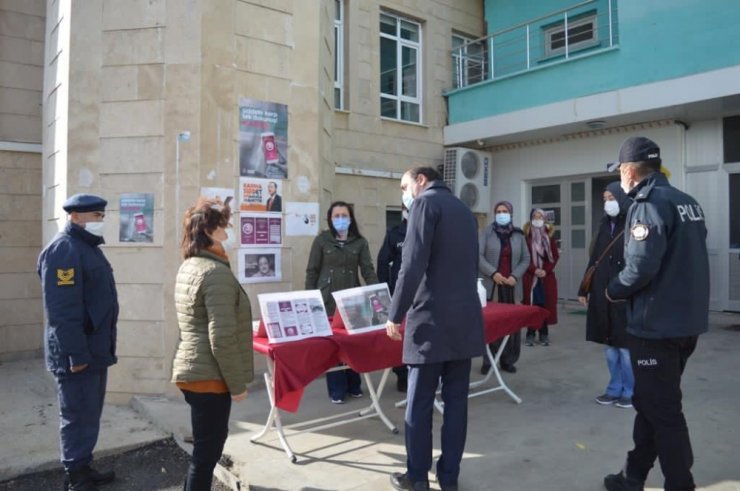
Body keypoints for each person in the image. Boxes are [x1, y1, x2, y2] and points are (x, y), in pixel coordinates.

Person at [603, 137, 709, 491]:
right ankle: (633, 476)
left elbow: (640, 268)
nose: (620, 177)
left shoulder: (647, 205)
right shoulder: (686, 202)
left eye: (620, 170)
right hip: (684, 324)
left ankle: (681, 484)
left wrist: (611, 290)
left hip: (656, 328)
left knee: (663, 412)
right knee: (650, 403)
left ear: (630, 170)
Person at [386, 167, 484, 491]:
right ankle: (449, 478)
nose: (405, 193)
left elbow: (411, 264)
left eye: (405, 185)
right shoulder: (464, 211)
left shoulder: (425, 205)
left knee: (420, 404)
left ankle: (417, 477)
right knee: (457, 405)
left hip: (430, 323)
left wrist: (395, 314)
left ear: (421, 180)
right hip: (465, 322)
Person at [171, 198, 254, 491]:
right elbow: (220, 336)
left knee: (205, 450)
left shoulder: (191, 264)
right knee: (207, 455)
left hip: (194, 371)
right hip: (209, 378)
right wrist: (237, 385)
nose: (228, 231)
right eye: (224, 225)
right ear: (209, 230)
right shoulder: (215, 273)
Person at [37, 194, 118, 491]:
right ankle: (75, 476)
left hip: (94, 349)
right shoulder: (64, 251)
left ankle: (83, 465)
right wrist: (76, 354)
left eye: (101, 216)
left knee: (89, 413)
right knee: (75, 414)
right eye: (97, 216)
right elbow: (63, 313)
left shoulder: (86, 247)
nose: (101, 221)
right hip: (78, 354)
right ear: (76, 217)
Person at [305, 201, 378, 403]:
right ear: (330, 219)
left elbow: (367, 270)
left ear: (350, 218)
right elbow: (312, 271)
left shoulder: (359, 243)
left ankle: (354, 384)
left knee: (352, 343)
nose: (340, 219)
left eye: (343, 215)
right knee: (333, 345)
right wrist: (309, 300)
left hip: (351, 300)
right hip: (327, 299)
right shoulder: (322, 241)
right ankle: (337, 389)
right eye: (335, 216)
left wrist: (378, 294)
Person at [578, 182, 635, 409]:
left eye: (611, 197)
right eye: (605, 198)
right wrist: (584, 288)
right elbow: (594, 259)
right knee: (609, 346)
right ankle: (614, 389)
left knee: (625, 347)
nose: (607, 202)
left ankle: (631, 392)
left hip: (623, 291)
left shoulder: (633, 223)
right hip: (602, 290)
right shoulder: (603, 225)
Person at [478, 201, 530, 373]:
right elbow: (478, 256)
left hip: (512, 286)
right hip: (493, 285)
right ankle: (489, 361)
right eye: (499, 211)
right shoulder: (486, 233)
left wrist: (515, 276)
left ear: (511, 213)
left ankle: (509, 360)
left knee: (512, 325)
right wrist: (494, 274)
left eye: (505, 211)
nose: (501, 214)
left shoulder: (518, 235)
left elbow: (526, 258)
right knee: (491, 324)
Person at [377, 203, 409, 391]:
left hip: (424, 292)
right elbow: (383, 262)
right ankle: (402, 374)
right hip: (398, 291)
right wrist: (383, 291)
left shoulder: (429, 229)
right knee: (399, 335)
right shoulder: (395, 233)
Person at [522, 208, 559, 346]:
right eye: (535, 216)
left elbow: (554, 256)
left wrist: (545, 270)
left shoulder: (549, 237)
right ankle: (530, 333)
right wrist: (534, 269)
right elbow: (523, 256)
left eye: (540, 217)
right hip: (531, 277)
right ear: (531, 218)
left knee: (544, 305)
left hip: (546, 278)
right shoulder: (526, 237)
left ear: (544, 219)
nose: (537, 219)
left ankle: (544, 333)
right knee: (532, 306)